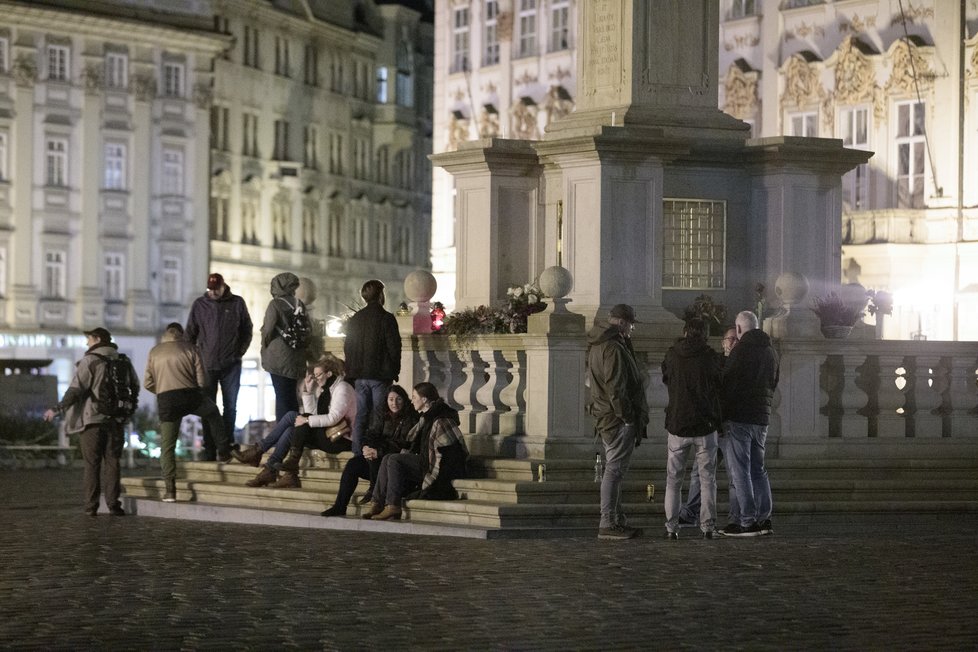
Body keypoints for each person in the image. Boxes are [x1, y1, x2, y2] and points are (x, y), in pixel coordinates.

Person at [43, 327, 139, 517]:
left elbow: (75, 390)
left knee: (92, 464)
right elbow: (134, 387)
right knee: (113, 463)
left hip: (92, 420)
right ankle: (113, 505)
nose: (87, 343)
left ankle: (91, 506)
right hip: (116, 420)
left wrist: (56, 409)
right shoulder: (123, 361)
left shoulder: (90, 361)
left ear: (97, 339)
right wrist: (127, 410)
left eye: (88, 339)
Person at [239, 354, 355, 488]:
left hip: (341, 439)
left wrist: (306, 419)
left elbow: (332, 418)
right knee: (291, 428)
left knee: (292, 417)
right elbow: (314, 416)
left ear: (329, 374)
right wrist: (308, 392)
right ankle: (274, 470)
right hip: (328, 434)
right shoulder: (326, 390)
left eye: (318, 375)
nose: (315, 379)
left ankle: (261, 454)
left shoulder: (342, 389)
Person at [143, 323, 230, 501]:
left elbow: (148, 382)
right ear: (181, 334)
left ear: (166, 334)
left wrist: (162, 390)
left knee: (167, 446)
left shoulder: (155, 352)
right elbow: (202, 380)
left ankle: (170, 490)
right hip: (190, 395)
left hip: (166, 400)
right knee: (213, 413)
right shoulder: (191, 349)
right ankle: (224, 449)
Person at [585, 304, 649, 540]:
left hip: (606, 415)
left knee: (615, 469)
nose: (633, 329)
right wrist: (628, 418)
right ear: (622, 323)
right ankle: (608, 521)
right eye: (631, 324)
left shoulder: (598, 343)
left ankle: (615, 520)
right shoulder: (612, 347)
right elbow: (616, 388)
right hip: (616, 419)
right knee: (614, 470)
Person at [361, 382, 468, 521]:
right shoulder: (426, 417)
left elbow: (450, 452)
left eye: (414, 397)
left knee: (394, 459)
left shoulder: (440, 420)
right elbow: (412, 444)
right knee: (388, 457)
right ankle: (377, 502)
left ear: (424, 400)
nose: (411, 401)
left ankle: (393, 505)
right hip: (425, 460)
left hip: (434, 465)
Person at [661, 318, 723, 540]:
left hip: (678, 423)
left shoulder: (672, 354)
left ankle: (671, 526)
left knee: (673, 479)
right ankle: (707, 525)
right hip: (705, 425)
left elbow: (666, 377)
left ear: (685, 332)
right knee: (708, 479)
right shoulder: (710, 356)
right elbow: (719, 383)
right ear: (705, 334)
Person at [719, 310, 780, 537]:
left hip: (740, 415)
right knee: (758, 470)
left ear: (739, 328)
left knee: (740, 471)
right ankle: (765, 519)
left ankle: (747, 520)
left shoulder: (741, 350)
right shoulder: (770, 351)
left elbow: (728, 381)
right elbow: (774, 381)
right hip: (762, 417)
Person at [320, 385, 419, 517]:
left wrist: (378, 451)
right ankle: (340, 505)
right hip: (376, 459)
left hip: (394, 463)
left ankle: (375, 495)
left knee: (380, 458)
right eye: (391, 399)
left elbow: (403, 443)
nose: (394, 403)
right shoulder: (381, 413)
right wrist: (367, 447)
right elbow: (371, 434)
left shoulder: (411, 417)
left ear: (404, 400)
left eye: (398, 399)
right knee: (353, 465)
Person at [185, 272, 253, 460]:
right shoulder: (200, 304)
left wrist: (239, 352)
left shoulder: (237, 303)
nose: (213, 293)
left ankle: (227, 444)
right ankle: (209, 447)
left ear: (223, 287)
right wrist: (192, 359)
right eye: (210, 290)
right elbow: (190, 332)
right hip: (206, 364)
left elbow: (247, 329)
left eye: (216, 290)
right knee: (208, 407)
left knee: (230, 406)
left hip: (231, 364)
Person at [679, 326, 738, 526]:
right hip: (713, 425)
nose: (733, 343)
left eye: (736, 339)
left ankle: (735, 517)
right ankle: (691, 513)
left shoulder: (740, 363)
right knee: (699, 471)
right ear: (722, 342)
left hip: (730, 425)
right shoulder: (716, 361)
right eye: (730, 339)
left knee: (734, 474)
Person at [344, 279, 401, 458]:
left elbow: (348, 346)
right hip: (379, 375)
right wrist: (394, 370)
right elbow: (394, 347)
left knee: (361, 414)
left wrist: (351, 370)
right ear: (381, 295)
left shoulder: (356, 319)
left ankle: (357, 452)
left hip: (360, 375)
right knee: (378, 414)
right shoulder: (386, 318)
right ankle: (372, 449)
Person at [260, 272, 308, 420]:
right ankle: (293, 433)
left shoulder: (275, 304)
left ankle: (282, 437)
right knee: (292, 398)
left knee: (281, 398)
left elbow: (268, 329)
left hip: (278, 359)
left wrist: (265, 345)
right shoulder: (299, 304)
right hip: (296, 358)